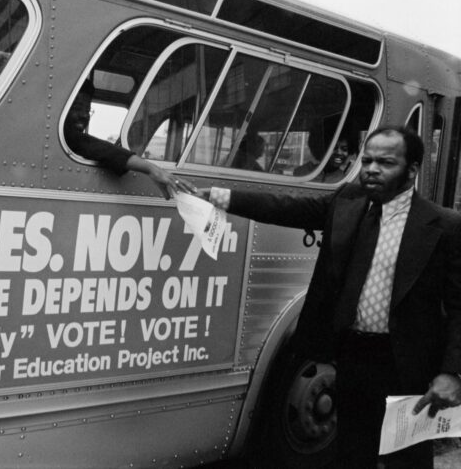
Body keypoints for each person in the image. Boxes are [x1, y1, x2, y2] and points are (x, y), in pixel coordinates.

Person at [198, 125, 461, 468]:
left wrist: (452, 373)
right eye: (367, 160)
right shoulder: (347, 203)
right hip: (352, 357)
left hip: (408, 367)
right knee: (351, 453)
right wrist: (216, 197)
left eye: (386, 162)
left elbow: (459, 307)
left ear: (411, 171)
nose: (372, 169)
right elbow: (284, 208)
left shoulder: (444, 226)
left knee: (406, 460)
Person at [64, 80, 194, 199]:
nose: (84, 115)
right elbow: (91, 145)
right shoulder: (69, 138)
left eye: (87, 110)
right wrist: (151, 169)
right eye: (76, 108)